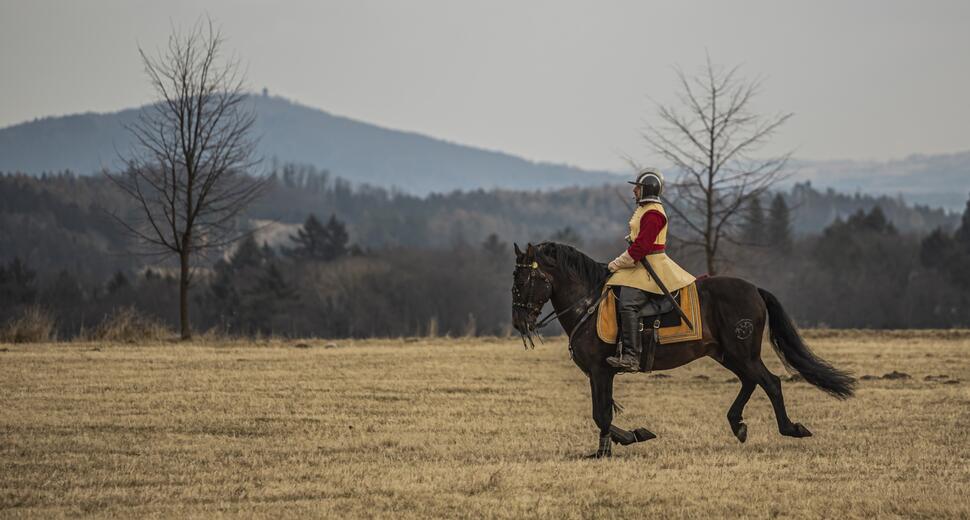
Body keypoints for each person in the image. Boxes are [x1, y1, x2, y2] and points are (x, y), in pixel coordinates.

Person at [605, 168, 696, 372]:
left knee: (628, 304)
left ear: (646, 189)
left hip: (651, 265)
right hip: (641, 264)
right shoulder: (646, 209)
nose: (634, 191)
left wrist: (616, 263)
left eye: (637, 188)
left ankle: (632, 356)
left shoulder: (654, 213)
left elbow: (641, 248)